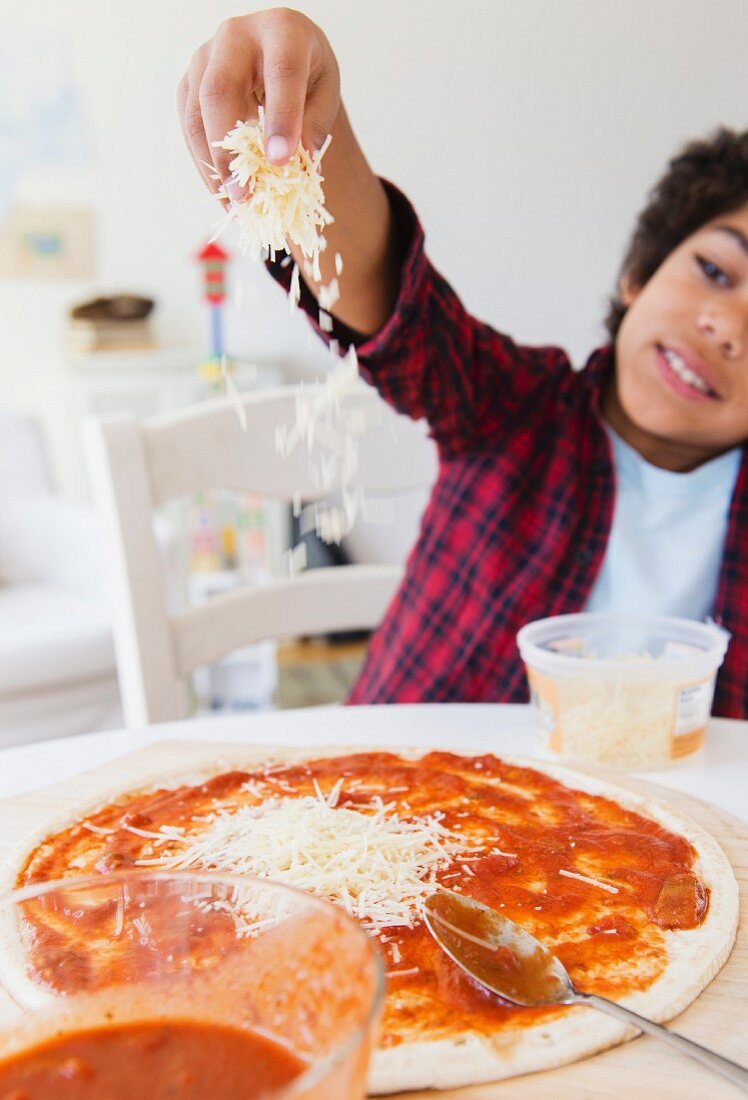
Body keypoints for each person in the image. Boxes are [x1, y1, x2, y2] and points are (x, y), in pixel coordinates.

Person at [178, 9, 748, 716]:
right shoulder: (515, 407)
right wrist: (314, 135)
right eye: (716, 272)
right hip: (395, 796)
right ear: (641, 274)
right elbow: (392, 305)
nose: (726, 326)